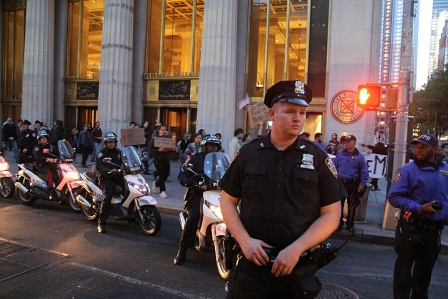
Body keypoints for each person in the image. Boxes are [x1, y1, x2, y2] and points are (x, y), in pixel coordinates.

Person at [220, 80, 346, 298]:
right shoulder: (249, 154)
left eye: (302, 112)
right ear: (272, 114)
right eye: (289, 111)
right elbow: (227, 200)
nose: (298, 118)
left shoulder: (318, 159)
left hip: (296, 272)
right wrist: (244, 240)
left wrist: (296, 249)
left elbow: (332, 215)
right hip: (252, 269)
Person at [388, 134, 448, 299]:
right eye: (417, 146)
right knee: (403, 274)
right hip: (411, 228)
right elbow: (394, 197)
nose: (418, 149)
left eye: (424, 146)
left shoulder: (445, 171)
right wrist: (420, 208)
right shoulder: (408, 170)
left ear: (435, 149)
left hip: (434, 232)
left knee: (423, 277)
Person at [174, 134, 221, 265]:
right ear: (204, 146)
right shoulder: (194, 159)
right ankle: (182, 251)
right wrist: (192, 183)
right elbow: (182, 174)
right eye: (212, 145)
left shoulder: (219, 160)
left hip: (215, 192)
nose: (214, 147)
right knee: (194, 217)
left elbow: (227, 173)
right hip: (197, 193)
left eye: (216, 145)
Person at [333, 135, 369, 233]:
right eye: (345, 141)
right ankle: (339, 224)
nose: (347, 143)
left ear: (354, 143)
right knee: (339, 205)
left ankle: (350, 224)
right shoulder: (340, 155)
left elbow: (364, 171)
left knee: (352, 205)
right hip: (341, 183)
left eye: (349, 141)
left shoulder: (360, 156)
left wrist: (362, 183)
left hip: (353, 184)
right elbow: (333, 169)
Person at [95, 132, 126, 233]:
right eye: (109, 142)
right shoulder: (102, 153)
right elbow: (99, 166)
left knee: (129, 190)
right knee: (107, 197)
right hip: (107, 178)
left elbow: (124, 162)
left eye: (112, 142)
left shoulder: (118, 152)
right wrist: (108, 170)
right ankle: (101, 223)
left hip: (118, 176)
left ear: (115, 142)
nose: (111, 144)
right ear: (106, 143)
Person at [150, 125, 174, 199]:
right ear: (159, 131)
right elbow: (151, 151)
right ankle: (162, 191)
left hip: (166, 159)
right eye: (162, 130)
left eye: (165, 130)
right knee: (161, 174)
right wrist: (158, 150)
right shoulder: (155, 140)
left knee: (166, 174)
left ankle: (156, 183)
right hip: (158, 160)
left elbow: (170, 150)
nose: (164, 131)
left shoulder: (168, 139)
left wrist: (173, 149)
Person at [33, 131, 59, 197]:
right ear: (39, 139)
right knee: (49, 173)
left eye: (45, 138)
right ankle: (50, 190)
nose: (44, 139)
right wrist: (47, 159)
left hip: (51, 165)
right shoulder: (37, 148)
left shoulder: (50, 147)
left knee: (57, 176)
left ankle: (58, 189)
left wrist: (58, 158)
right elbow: (39, 157)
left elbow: (56, 153)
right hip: (41, 165)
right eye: (43, 138)